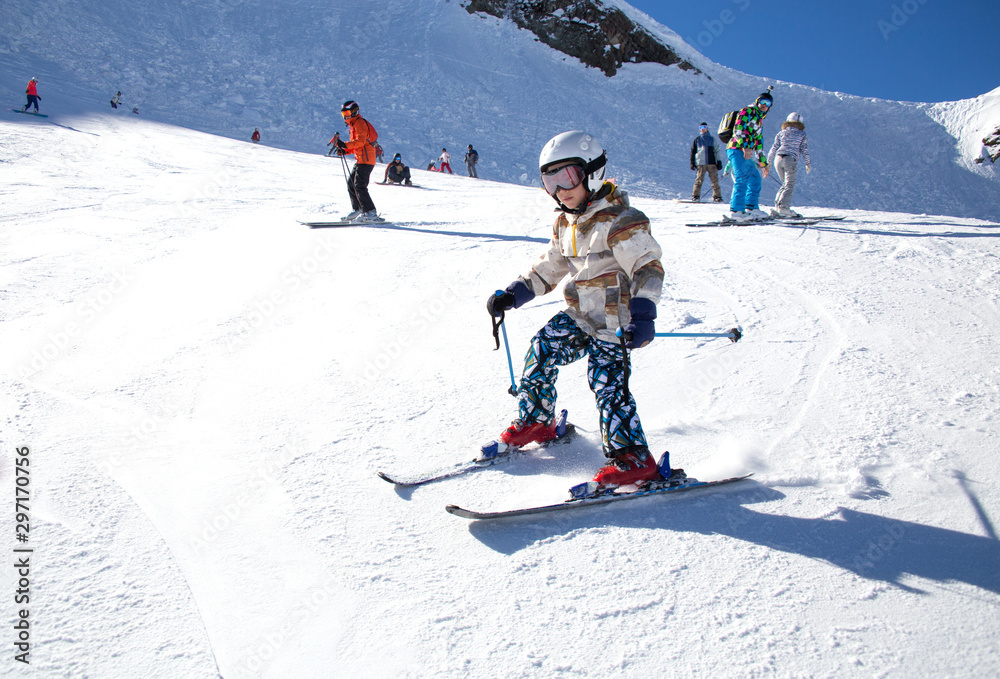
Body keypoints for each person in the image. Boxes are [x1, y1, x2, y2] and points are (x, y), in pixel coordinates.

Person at [486, 131, 673, 498]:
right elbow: (551, 266)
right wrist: (515, 293)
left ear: (593, 172)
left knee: (607, 383)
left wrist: (644, 313)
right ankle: (536, 421)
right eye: (549, 181)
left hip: (615, 324)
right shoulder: (565, 222)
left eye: (567, 177)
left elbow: (647, 267)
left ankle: (633, 459)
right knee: (541, 348)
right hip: (580, 315)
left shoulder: (623, 220)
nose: (560, 189)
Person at [726, 92, 773, 222]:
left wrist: (764, 165)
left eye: (767, 103)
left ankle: (751, 208)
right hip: (736, 148)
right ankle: (736, 211)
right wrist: (745, 147)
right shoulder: (747, 111)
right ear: (757, 101)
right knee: (741, 178)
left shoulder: (759, 120)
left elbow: (758, 145)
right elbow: (738, 129)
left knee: (755, 178)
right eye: (762, 101)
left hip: (745, 152)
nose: (764, 105)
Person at [333, 100, 379, 222]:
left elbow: (361, 141)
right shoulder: (353, 125)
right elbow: (357, 146)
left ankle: (370, 213)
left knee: (359, 185)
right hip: (361, 159)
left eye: (347, 112)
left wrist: (345, 145)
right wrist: (345, 151)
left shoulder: (359, 123)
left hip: (367, 160)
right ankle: (359, 209)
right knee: (351, 184)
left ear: (354, 111)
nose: (346, 116)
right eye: (343, 114)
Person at [767, 112, 811, 218]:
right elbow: (804, 150)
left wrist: (768, 162)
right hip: (790, 159)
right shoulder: (802, 134)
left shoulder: (781, 133)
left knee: (784, 184)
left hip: (777, 159)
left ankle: (778, 206)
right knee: (789, 185)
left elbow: (774, 147)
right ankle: (784, 208)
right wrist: (807, 163)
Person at [690, 122, 723, 202]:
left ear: (707, 128)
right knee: (699, 180)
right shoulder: (697, 140)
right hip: (701, 163)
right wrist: (692, 162)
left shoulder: (712, 139)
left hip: (711, 163)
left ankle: (717, 196)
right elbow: (693, 151)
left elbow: (717, 150)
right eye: (701, 128)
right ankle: (696, 196)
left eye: (704, 127)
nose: (702, 129)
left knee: (714, 180)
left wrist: (718, 161)